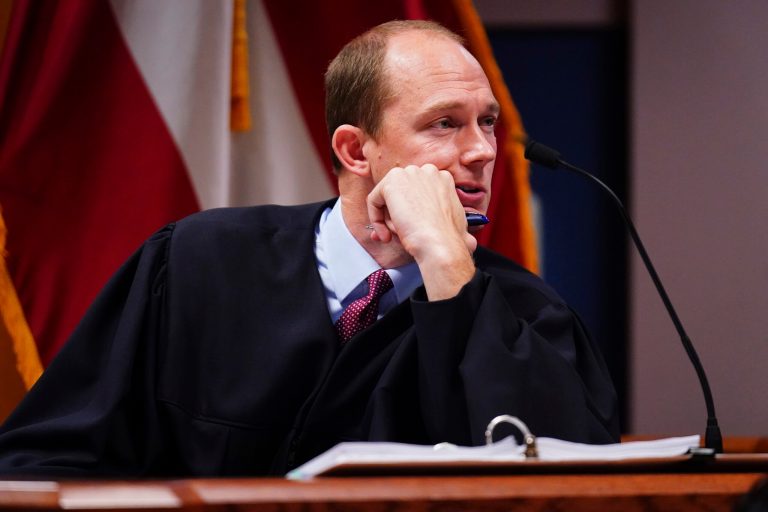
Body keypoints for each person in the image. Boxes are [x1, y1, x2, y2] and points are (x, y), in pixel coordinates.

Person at [0, 20, 619, 477]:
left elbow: (565, 481)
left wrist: (451, 270)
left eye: (487, 121)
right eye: (444, 124)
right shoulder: (198, 264)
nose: (483, 150)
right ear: (355, 151)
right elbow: (44, 456)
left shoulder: (526, 311)